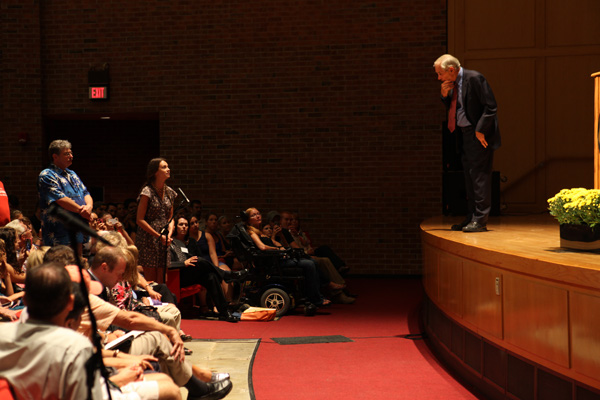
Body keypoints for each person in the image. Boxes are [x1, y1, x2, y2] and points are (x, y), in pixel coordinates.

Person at [434, 54, 501, 232]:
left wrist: (480, 130)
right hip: (463, 135)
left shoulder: (474, 78)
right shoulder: (452, 84)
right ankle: (471, 216)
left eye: (440, 74)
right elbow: (456, 107)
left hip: (478, 134)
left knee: (479, 176)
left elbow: (491, 107)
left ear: (451, 70)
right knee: (469, 177)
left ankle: (480, 219)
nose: (439, 78)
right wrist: (444, 96)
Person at [245, 207, 326, 313]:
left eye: (258, 213)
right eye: (253, 215)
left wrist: (281, 248)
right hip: (272, 264)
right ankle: (315, 299)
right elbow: (263, 247)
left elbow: (275, 243)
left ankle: (316, 296)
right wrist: (277, 250)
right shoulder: (252, 232)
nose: (258, 216)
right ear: (248, 219)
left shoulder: (261, 231)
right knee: (309, 264)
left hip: (278, 259)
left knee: (312, 262)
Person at [170, 216, 242, 322]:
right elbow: (167, 264)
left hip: (193, 273)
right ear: (175, 227)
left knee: (211, 277)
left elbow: (200, 260)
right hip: (177, 276)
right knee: (199, 260)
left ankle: (224, 312)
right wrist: (183, 263)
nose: (184, 227)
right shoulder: (169, 242)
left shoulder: (192, 242)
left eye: (186, 225)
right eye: (181, 224)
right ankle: (225, 275)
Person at [37, 139, 94, 250]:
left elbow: (85, 193)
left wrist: (89, 207)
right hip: (59, 230)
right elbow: (60, 199)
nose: (71, 156)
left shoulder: (72, 174)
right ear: (55, 156)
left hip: (77, 227)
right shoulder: (47, 175)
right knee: (61, 264)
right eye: (66, 154)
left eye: (71, 153)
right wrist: (82, 211)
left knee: (77, 264)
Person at [135, 158, 178, 284]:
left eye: (168, 166)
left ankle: (164, 302)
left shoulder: (170, 192)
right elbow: (139, 219)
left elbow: (170, 217)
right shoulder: (147, 191)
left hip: (164, 238)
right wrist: (158, 236)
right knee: (151, 281)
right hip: (149, 238)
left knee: (163, 279)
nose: (168, 169)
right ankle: (153, 303)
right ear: (155, 172)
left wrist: (168, 235)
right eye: (164, 167)